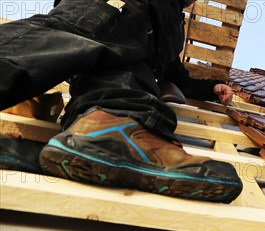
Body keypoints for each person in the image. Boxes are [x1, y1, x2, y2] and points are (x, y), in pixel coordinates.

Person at [0, 0, 243, 202]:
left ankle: (103, 131)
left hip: (126, 70)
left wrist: (211, 88)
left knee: (127, 72)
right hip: (113, 7)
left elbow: (174, 74)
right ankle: (112, 128)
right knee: (73, 35)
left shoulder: (173, 25)